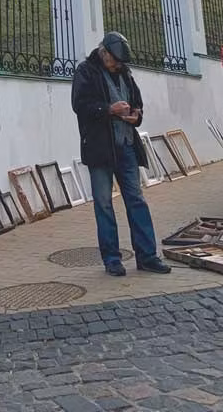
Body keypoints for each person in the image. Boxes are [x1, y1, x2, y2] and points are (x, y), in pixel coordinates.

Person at [71, 31, 171, 278]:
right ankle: (112, 259)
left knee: (136, 200)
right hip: (99, 148)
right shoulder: (86, 71)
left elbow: (137, 102)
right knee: (104, 204)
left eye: (119, 62)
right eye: (113, 61)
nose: (116, 65)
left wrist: (136, 115)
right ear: (103, 52)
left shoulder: (125, 72)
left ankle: (147, 256)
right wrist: (108, 109)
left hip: (126, 145)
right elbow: (80, 105)